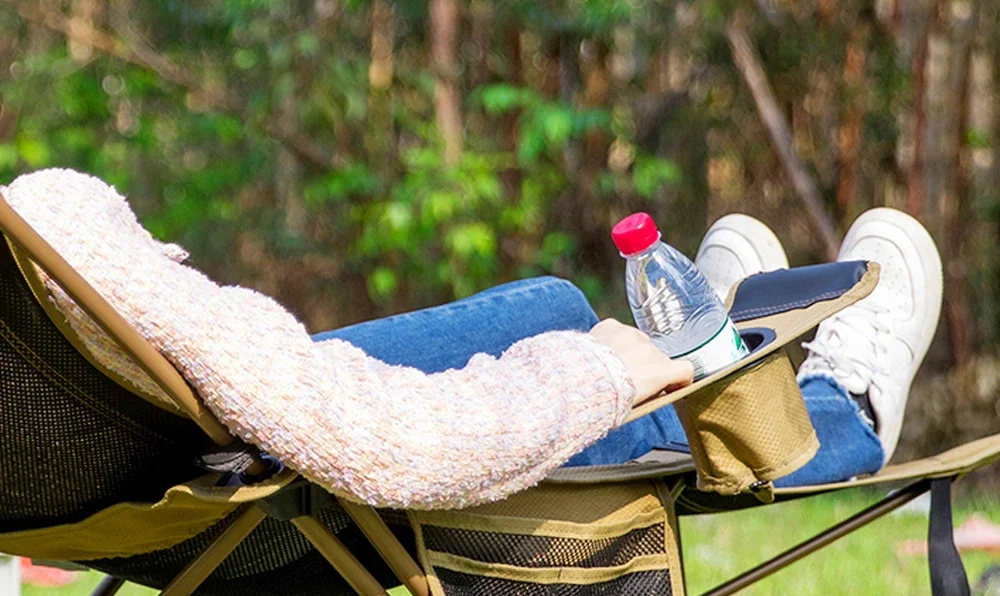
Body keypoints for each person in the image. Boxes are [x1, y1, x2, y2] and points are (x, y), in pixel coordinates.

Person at [1, 169, 941, 507]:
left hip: (121, 490)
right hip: (254, 495)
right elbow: (392, 448)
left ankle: (714, 353)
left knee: (545, 314)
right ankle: (829, 410)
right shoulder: (46, 228)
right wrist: (596, 369)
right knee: (550, 315)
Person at [318, 208, 943, 488]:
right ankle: (846, 412)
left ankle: (697, 361)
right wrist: (594, 367)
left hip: (262, 456)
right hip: (295, 426)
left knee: (556, 324)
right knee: (553, 319)